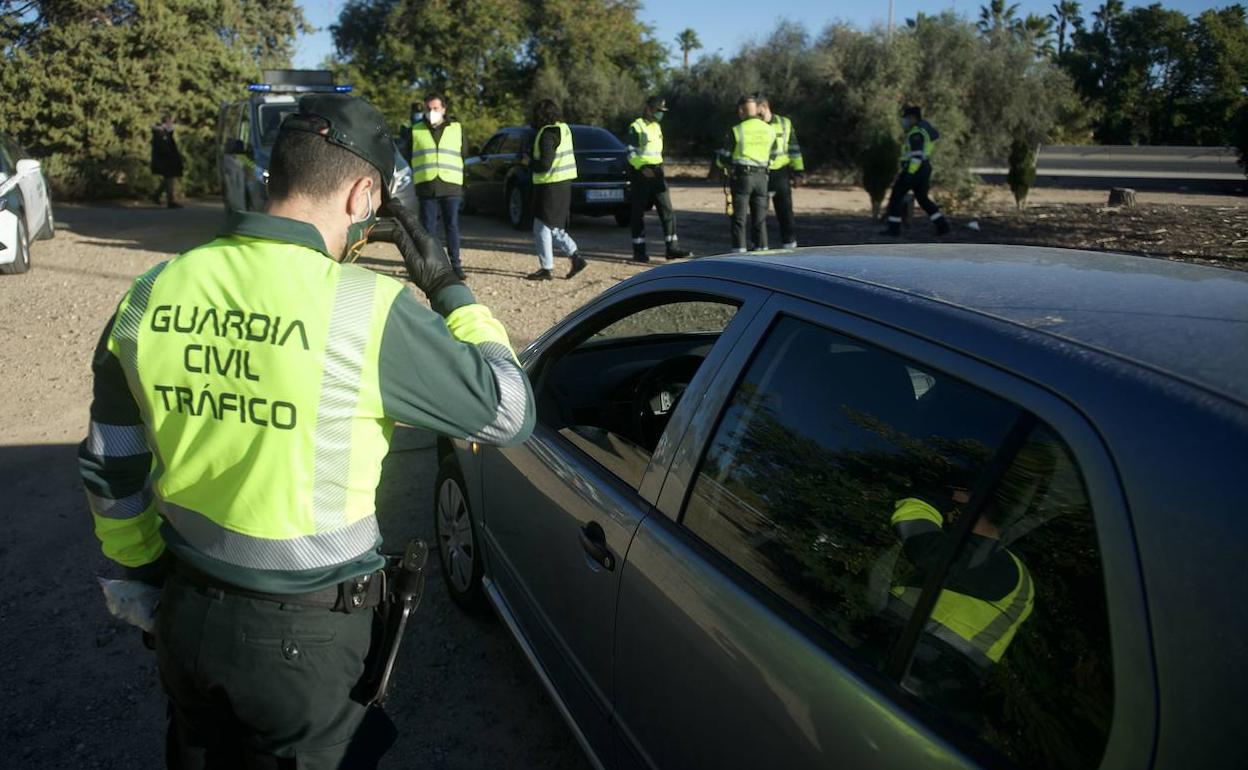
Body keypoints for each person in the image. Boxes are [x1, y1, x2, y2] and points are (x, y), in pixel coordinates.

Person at [79, 93, 535, 768]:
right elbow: (510, 409)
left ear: (278, 175)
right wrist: (447, 285)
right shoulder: (365, 308)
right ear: (362, 194)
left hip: (185, 611)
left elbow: (110, 467)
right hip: (306, 645)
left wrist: (146, 572)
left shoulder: (153, 289)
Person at [887, 489, 1034, 703]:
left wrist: (922, 502)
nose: (947, 515)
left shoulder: (998, 563)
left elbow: (927, 550)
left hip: (922, 671)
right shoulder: (993, 564)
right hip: (923, 668)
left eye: (953, 507)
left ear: (970, 512)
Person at [525, 99, 586, 281]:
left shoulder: (547, 133)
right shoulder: (564, 129)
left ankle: (547, 268)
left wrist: (528, 162)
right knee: (552, 226)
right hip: (561, 184)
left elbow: (544, 164)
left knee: (542, 226)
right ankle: (574, 258)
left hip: (549, 185)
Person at [410, 92, 468, 280]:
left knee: (451, 226)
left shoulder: (457, 128)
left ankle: (455, 265)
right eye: (428, 108)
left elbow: (464, 152)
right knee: (428, 230)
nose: (432, 112)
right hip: (427, 185)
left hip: (450, 184)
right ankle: (431, 266)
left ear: (443, 109)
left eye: (435, 108)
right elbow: (409, 154)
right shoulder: (415, 130)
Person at [626, 96, 691, 263]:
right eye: (658, 111)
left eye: (662, 111)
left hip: (657, 172)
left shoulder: (657, 126)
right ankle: (639, 251)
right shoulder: (636, 127)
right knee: (638, 213)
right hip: (641, 173)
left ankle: (672, 248)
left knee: (667, 209)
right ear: (648, 109)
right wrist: (642, 168)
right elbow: (630, 154)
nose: (661, 114)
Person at [716, 94, 777, 253]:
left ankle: (739, 252)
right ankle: (762, 251)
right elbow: (775, 154)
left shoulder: (737, 130)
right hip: (762, 177)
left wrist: (725, 165)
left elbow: (723, 157)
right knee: (760, 219)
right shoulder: (769, 130)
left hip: (742, 177)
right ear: (756, 109)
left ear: (741, 110)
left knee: (739, 218)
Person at [882, 105, 950, 237]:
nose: (904, 121)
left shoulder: (916, 133)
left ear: (913, 118)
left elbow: (916, 157)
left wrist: (909, 173)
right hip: (924, 169)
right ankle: (942, 226)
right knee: (923, 199)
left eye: (906, 118)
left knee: (896, 197)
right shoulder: (923, 130)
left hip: (914, 170)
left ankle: (894, 229)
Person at [756, 95, 805, 249]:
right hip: (759, 172)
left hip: (780, 174)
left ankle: (790, 245)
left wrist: (798, 172)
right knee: (759, 213)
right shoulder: (754, 125)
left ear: (764, 106)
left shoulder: (785, 123)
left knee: (785, 212)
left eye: (757, 111)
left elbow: (794, 149)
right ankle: (760, 247)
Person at [150, 114, 184, 209]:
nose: (171, 124)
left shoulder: (165, 132)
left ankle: (156, 195)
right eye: (170, 122)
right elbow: (164, 148)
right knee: (169, 178)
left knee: (168, 179)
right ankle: (170, 201)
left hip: (168, 159)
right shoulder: (160, 133)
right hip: (165, 160)